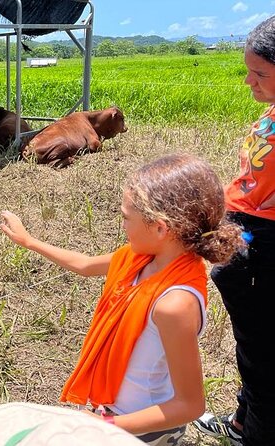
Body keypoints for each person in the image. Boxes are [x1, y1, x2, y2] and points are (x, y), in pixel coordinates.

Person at [0, 154, 244, 446]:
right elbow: (86, 265)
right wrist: (29, 241)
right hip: (113, 412)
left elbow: (190, 405)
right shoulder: (142, 259)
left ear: (160, 228)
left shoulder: (174, 305)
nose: (123, 225)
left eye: (126, 217)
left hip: (145, 430)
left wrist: (107, 425)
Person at [193, 14, 275, 446]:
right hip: (246, 237)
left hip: (267, 248)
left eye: (260, 73)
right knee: (254, 345)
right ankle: (245, 420)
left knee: (264, 354)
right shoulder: (272, 111)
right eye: (248, 69)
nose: (249, 81)